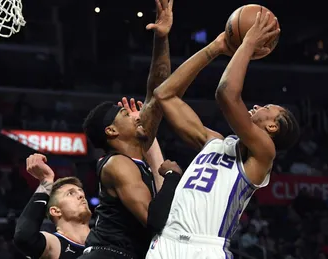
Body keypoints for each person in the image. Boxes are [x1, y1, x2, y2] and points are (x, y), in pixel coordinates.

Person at [146, 11, 300, 259]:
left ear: (273, 128)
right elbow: (164, 95)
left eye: (267, 109)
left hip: (204, 248)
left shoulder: (263, 154)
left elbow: (226, 94)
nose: (258, 107)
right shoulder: (213, 142)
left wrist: (249, 41)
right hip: (165, 241)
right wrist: (215, 47)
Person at [80, 0, 184, 258]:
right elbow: (153, 219)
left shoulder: (135, 156)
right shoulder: (117, 164)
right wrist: (171, 177)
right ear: (112, 131)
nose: (137, 117)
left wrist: (162, 39)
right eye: (127, 115)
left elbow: (158, 92)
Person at [14, 154, 91, 259]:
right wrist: (46, 180)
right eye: (70, 193)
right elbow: (24, 236)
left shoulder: (104, 239)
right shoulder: (55, 245)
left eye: (80, 192)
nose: (81, 196)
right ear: (55, 211)